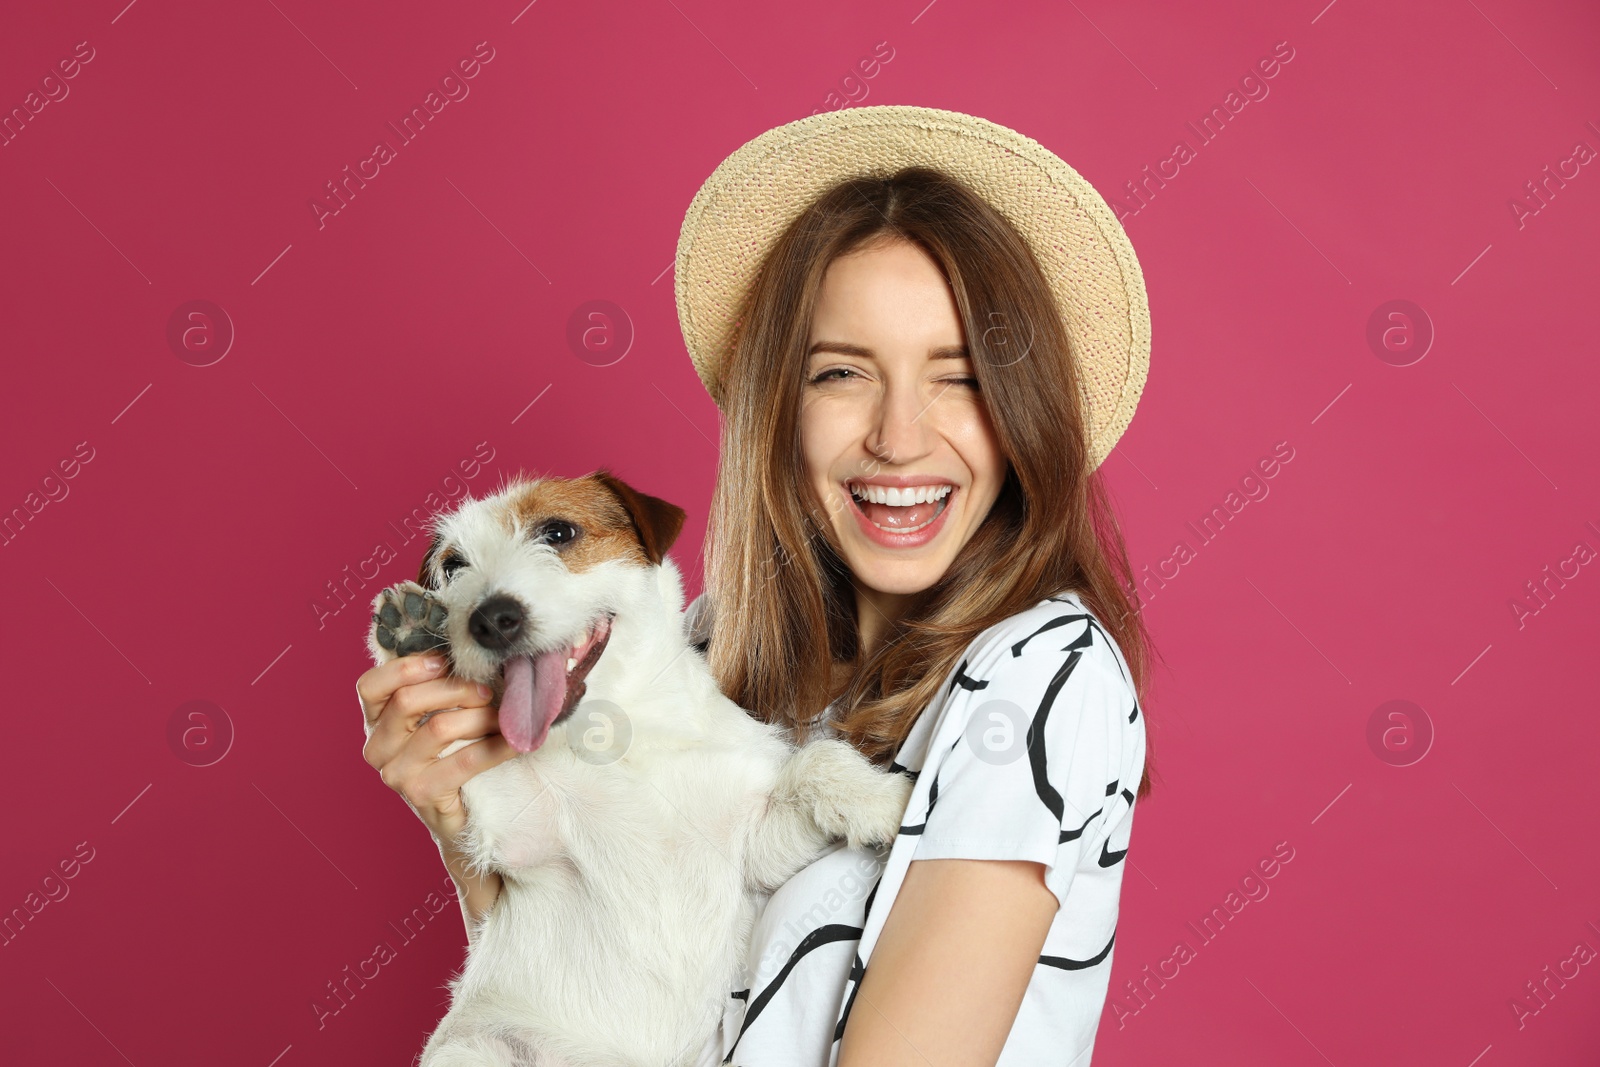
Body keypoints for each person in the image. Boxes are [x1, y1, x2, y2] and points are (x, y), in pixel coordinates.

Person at [356, 104, 1156, 1066]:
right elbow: (569, 973)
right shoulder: (702, 646)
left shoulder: (1041, 673)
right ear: (778, 406)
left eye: (960, 376)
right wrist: (454, 809)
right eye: (841, 372)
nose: (899, 436)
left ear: (1022, 411)